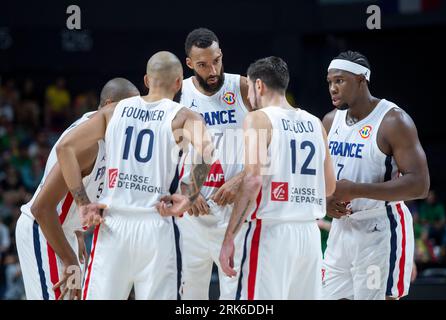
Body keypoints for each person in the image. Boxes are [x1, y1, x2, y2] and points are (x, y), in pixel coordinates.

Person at [56, 51, 214, 300]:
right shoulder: (183, 115)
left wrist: (83, 203)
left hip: (112, 226)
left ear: (147, 80)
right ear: (177, 83)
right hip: (157, 225)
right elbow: (207, 150)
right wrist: (189, 197)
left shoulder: (113, 111)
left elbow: (65, 148)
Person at [220, 56, 336, 300]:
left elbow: (253, 181)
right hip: (309, 235)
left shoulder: (258, 119)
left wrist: (229, 236)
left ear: (258, 85)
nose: (249, 96)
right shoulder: (315, 123)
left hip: (271, 233)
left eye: (250, 88)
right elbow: (329, 187)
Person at [15, 78, 140, 300]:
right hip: (44, 229)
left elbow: (86, 192)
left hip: (65, 233)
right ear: (109, 105)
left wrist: (78, 231)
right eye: (129, 110)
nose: (133, 119)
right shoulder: (86, 144)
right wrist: (71, 260)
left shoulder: (112, 138)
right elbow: (42, 208)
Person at [322, 50, 430, 300]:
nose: (333, 88)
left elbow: (420, 184)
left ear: (362, 80)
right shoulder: (329, 121)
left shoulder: (393, 120)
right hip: (342, 230)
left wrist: (355, 189)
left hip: (380, 229)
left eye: (340, 80)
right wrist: (326, 201)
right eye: (329, 82)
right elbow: (321, 176)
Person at [177, 27, 252, 300]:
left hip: (235, 212)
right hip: (192, 214)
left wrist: (242, 178)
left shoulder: (243, 87)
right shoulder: (179, 93)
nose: (213, 70)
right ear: (189, 64)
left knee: (236, 295)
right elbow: (165, 153)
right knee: (190, 296)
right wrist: (187, 190)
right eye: (203, 64)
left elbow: (274, 144)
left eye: (217, 60)